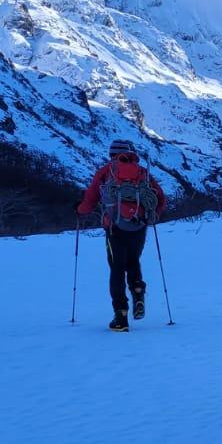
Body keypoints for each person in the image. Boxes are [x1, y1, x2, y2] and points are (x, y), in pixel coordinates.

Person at [77, 140, 166, 332]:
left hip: (114, 228)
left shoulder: (106, 171)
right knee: (133, 261)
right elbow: (160, 197)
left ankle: (121, 316)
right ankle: (138, 291)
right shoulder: (143, 172)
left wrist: (79, 209)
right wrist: (154, 214)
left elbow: (91, 197)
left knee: (117, 268)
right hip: (139, 226)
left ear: (111, 155)